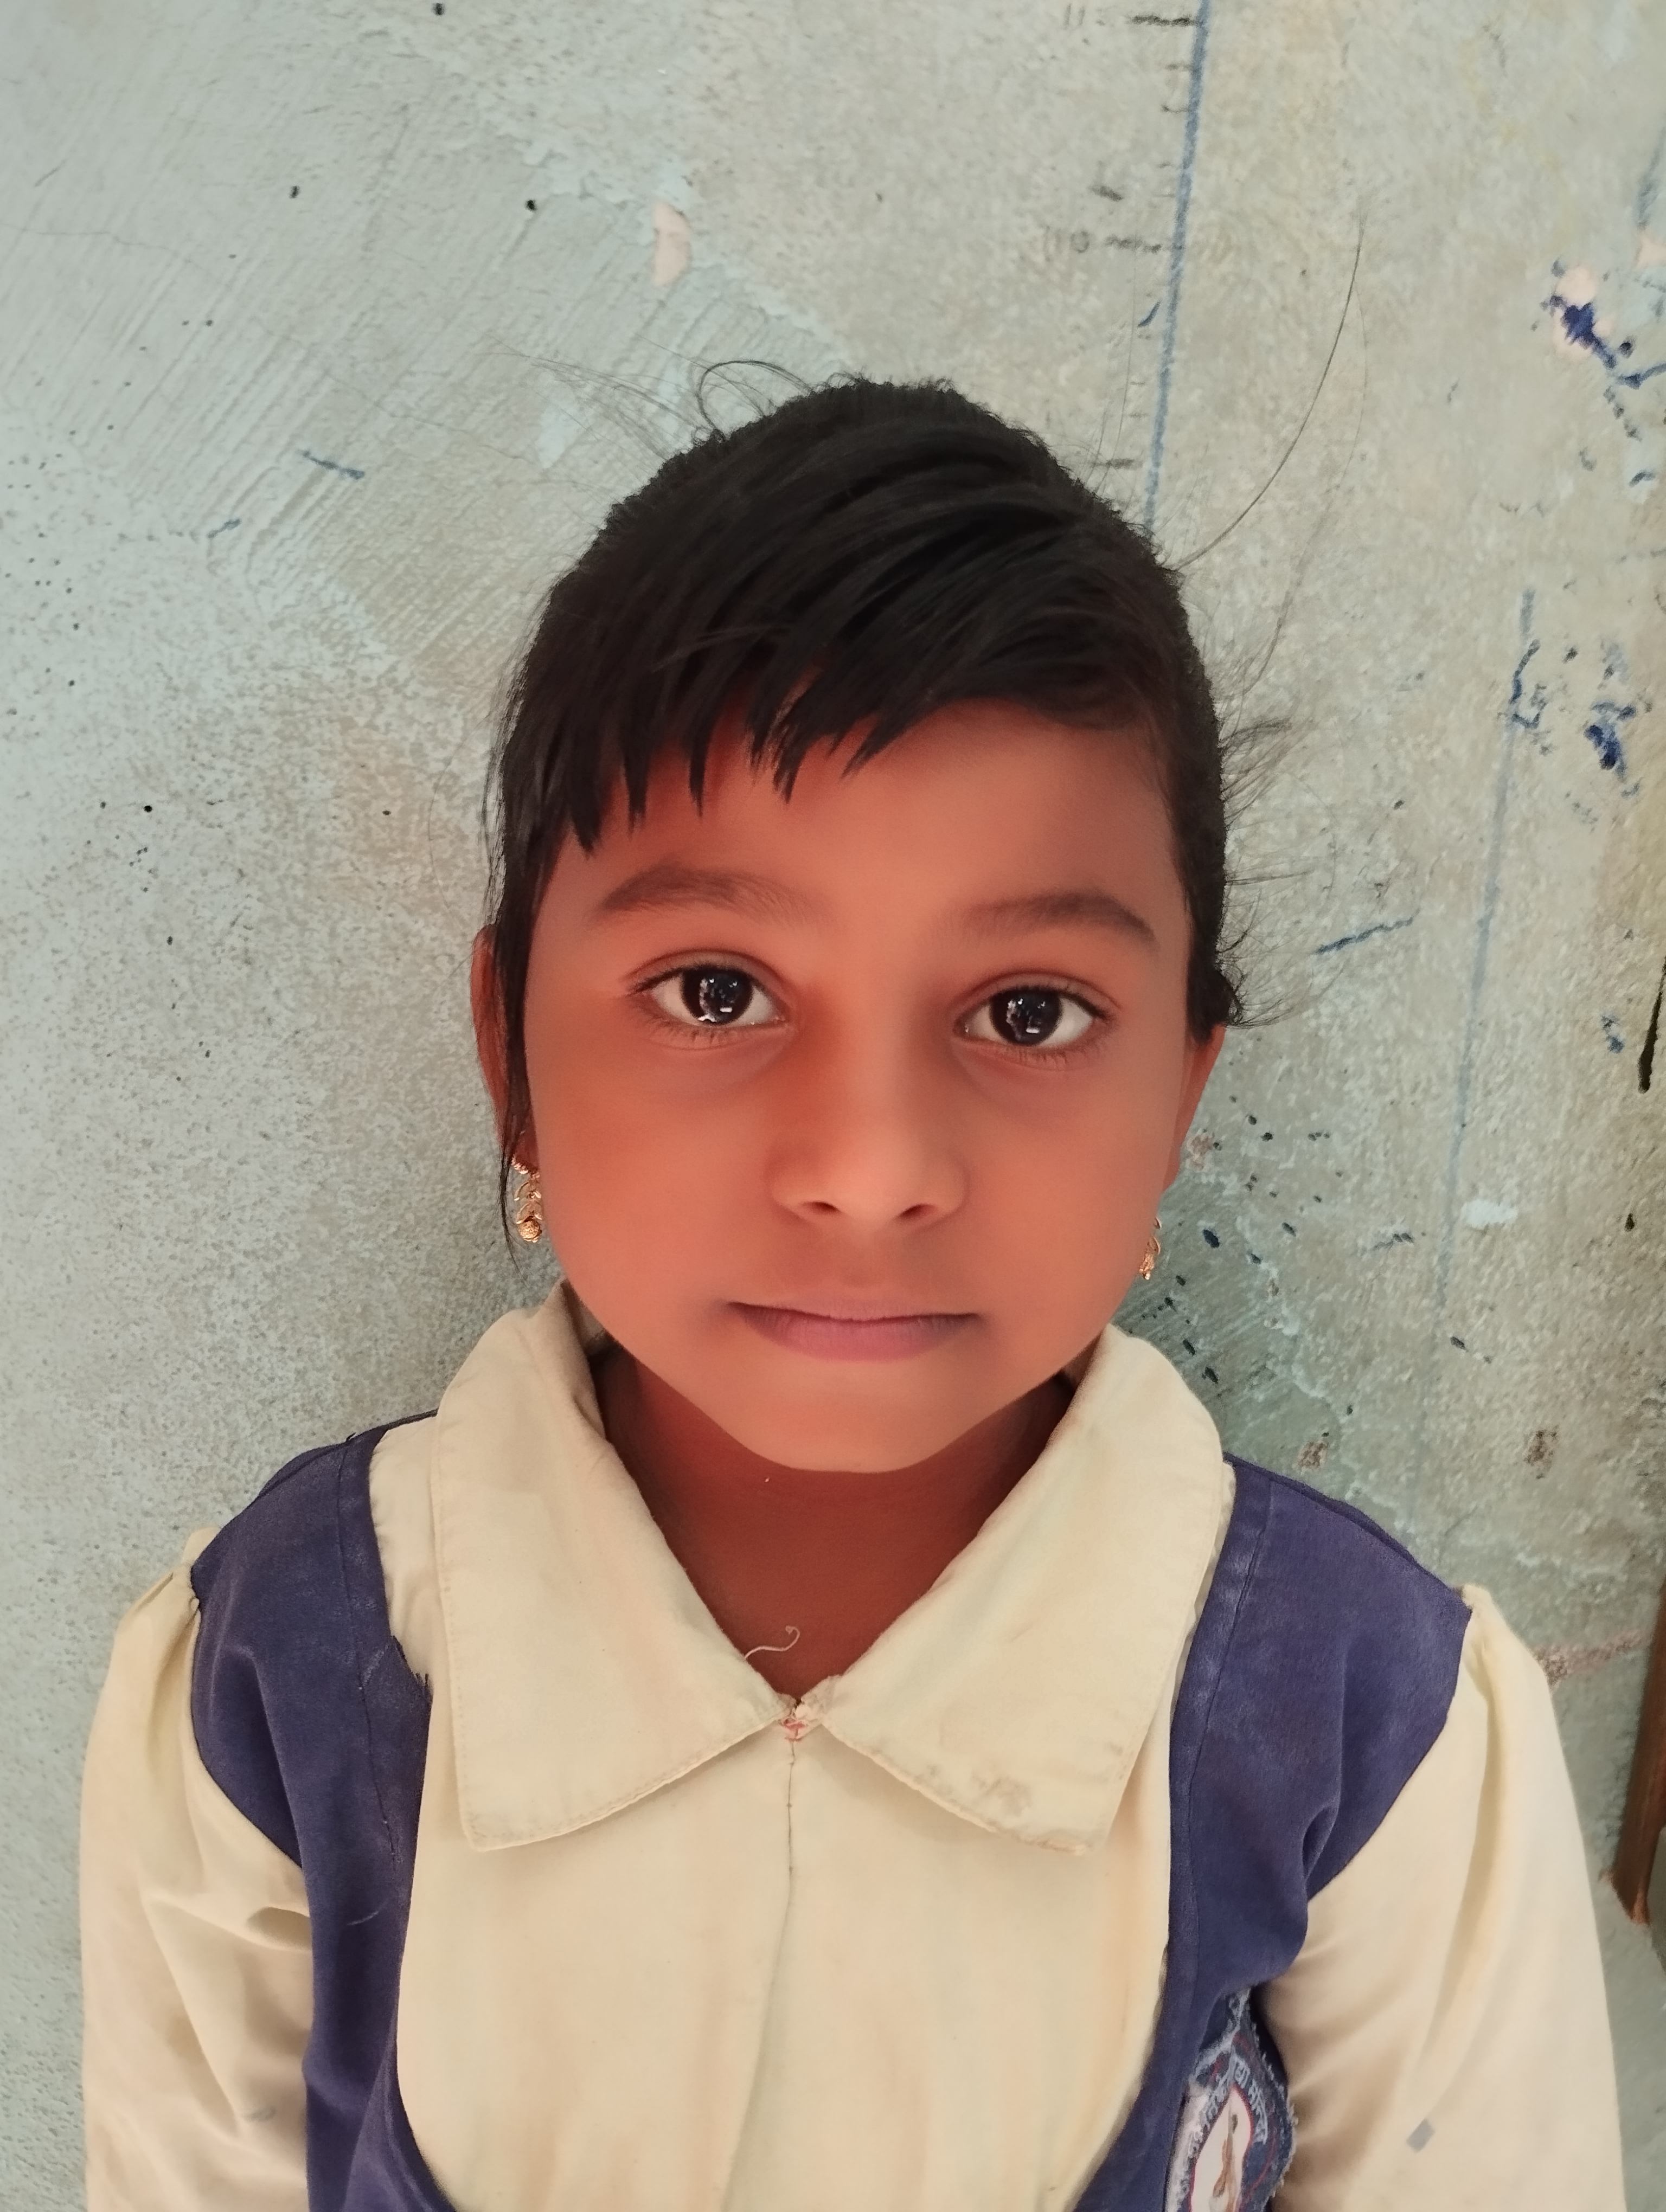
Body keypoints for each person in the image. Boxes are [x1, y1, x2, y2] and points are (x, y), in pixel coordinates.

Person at [80, 378, 1624, 2212]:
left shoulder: (1371, 1727)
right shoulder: (282, 1673)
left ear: (1180, 1099)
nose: (872, 1166)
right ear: (511, 1057)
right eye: (717, 992)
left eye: (1029, 1013)